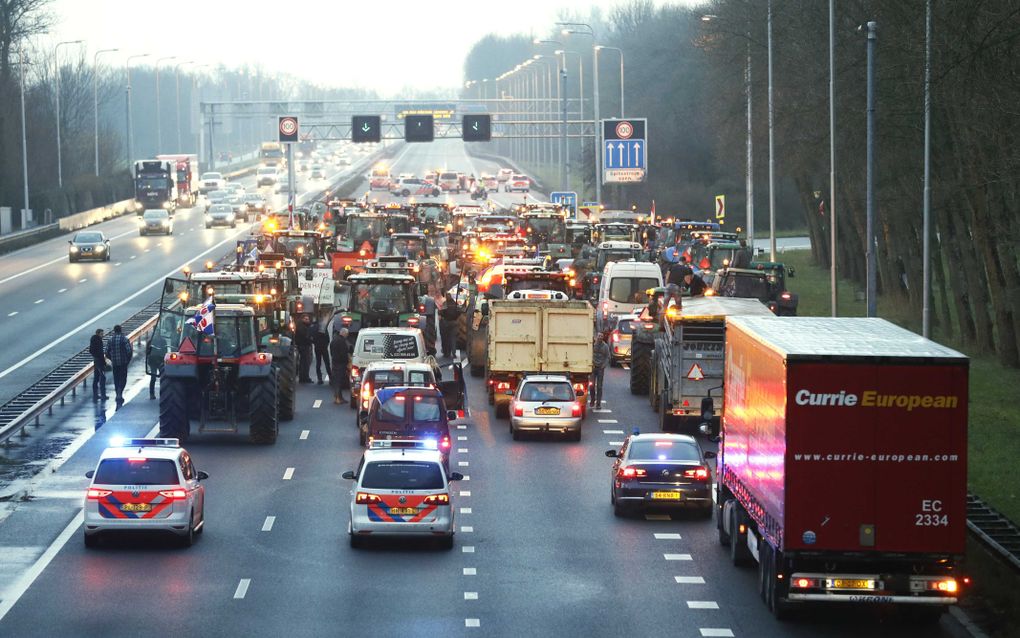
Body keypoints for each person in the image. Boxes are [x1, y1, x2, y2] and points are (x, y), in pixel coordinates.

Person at [105, 325, 132, 406]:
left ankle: (117, 393)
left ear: (114, 331)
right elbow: (129, 351)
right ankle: (120, 392)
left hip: (115, 363)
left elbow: (106, 352)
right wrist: (128, 360)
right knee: (123, 378)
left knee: (116, 378)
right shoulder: (124, 339)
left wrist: (112, 358)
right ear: (121, 330)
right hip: (123, 363)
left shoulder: (110, 340)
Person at [330, 328, 350, 404]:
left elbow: (331, 351)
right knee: (339, 381)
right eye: (347, 334)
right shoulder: (342, 342)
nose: (347, 336)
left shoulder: (334, 340)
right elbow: (344, 353)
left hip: (335, 362)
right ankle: (338, 398)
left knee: (336, 380)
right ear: (344, 333)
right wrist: (347, 362)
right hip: (341, 363)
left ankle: (339, 397)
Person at [591, 333, 611, 409]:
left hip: (600, 369)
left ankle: (598, 403)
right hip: (593, 368)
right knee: (591, 385)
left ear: (603, 338)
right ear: (597, 337)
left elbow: (607, 357)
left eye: (601, 336)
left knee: (599, 387)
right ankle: (593, 399)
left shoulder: (605, 346)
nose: (600, 337)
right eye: (599, 336)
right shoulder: (593, 345)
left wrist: (604, 366)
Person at [439, 294, 461, 359]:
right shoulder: (456, 303)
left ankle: (446, 353)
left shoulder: (445, 304)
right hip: (454, 323)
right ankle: (454, 353)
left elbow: (441, 313)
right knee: (453, 338)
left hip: (446, 323)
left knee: (445, 338)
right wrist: (455, 318)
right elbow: (459, 312)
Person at [89, 329, 108, 402]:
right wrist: (103, 362)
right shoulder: (98, 341)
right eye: (102, 334)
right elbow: (100, 352)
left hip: (96, 360)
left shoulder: (93, 340)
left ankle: (95, 395)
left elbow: (91, 350)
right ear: (98, 333)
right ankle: (103, 395)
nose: (103, 335)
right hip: (99, 361)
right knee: (102, 378)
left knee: (96, 378)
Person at [295, 314, 314, 383]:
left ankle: (303, 377)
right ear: (302, 319)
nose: (307, 320)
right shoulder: (302, 327)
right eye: (306, 319)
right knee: (305, 362)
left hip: (303, 345)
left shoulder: (302, 326)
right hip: (304, 346)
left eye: (308, 319)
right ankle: (304, 378)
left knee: (304, 362)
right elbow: (306, 336)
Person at [313, 321, 331, 385]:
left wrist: (315, 344)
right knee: (327, 363)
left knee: (318, 363)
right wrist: (325, 345)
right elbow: (328, 338)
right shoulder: (323, 328)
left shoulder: (314, 328)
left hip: (317, 347)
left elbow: (312, 338)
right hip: (324, 348)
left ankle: (319, 379)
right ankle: (330, 378)